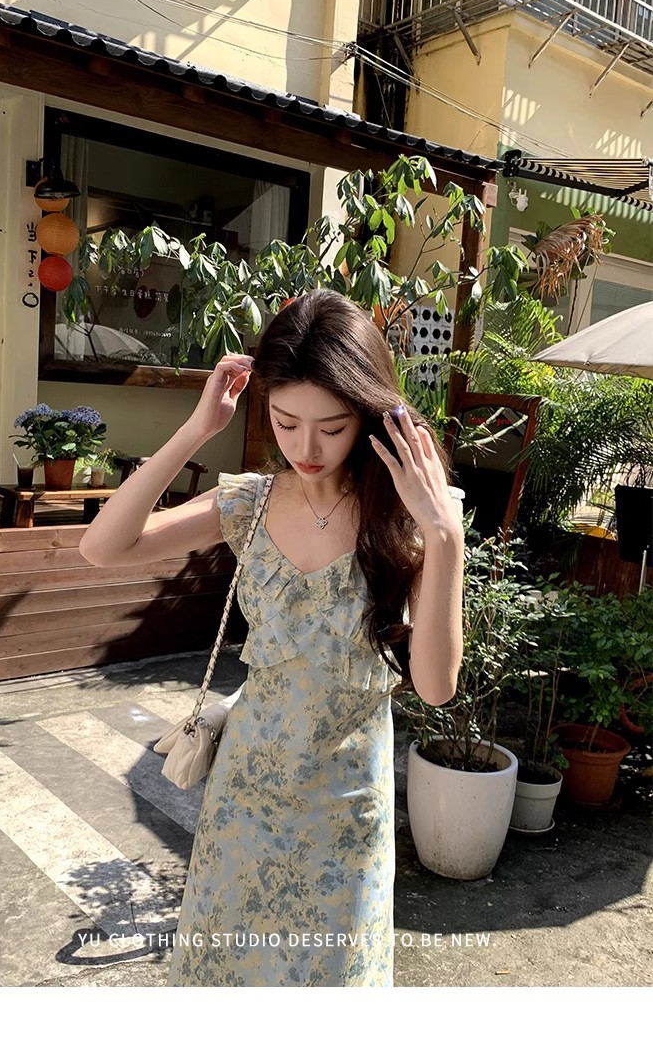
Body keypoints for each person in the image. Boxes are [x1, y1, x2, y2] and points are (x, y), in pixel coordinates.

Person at [79, 288, 465, 986]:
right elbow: (102, 547)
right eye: (286, 423)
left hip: (346, 812)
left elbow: (435, 687)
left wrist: (445, 539)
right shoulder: (250, 503)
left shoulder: (407, 514)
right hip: (244, 800)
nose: (306, 448)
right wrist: (196, 428)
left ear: (369, 414)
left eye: (332, 427)